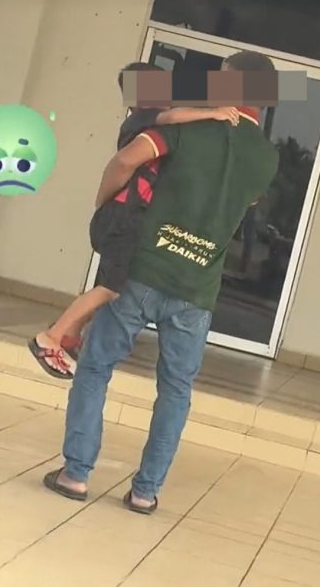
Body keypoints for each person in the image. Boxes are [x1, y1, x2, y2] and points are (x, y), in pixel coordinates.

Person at [43, 51, 279, 514]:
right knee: (175, 390)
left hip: (141, 270)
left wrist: (105, 204)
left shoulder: (190, 124)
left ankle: (76, 474)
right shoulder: (267, 159)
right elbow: (244, 203)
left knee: (95, 367)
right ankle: (146, 492)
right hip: (198, 288)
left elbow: (126, 160)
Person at [28, 61, 240, 379]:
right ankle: (51, 338)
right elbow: (172, 117)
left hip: (124, 217)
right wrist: (213, 113)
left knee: (108, 284)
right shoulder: (144, 117)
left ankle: (70, 337)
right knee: (111, 289)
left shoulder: (143, 120)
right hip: (124, 217)